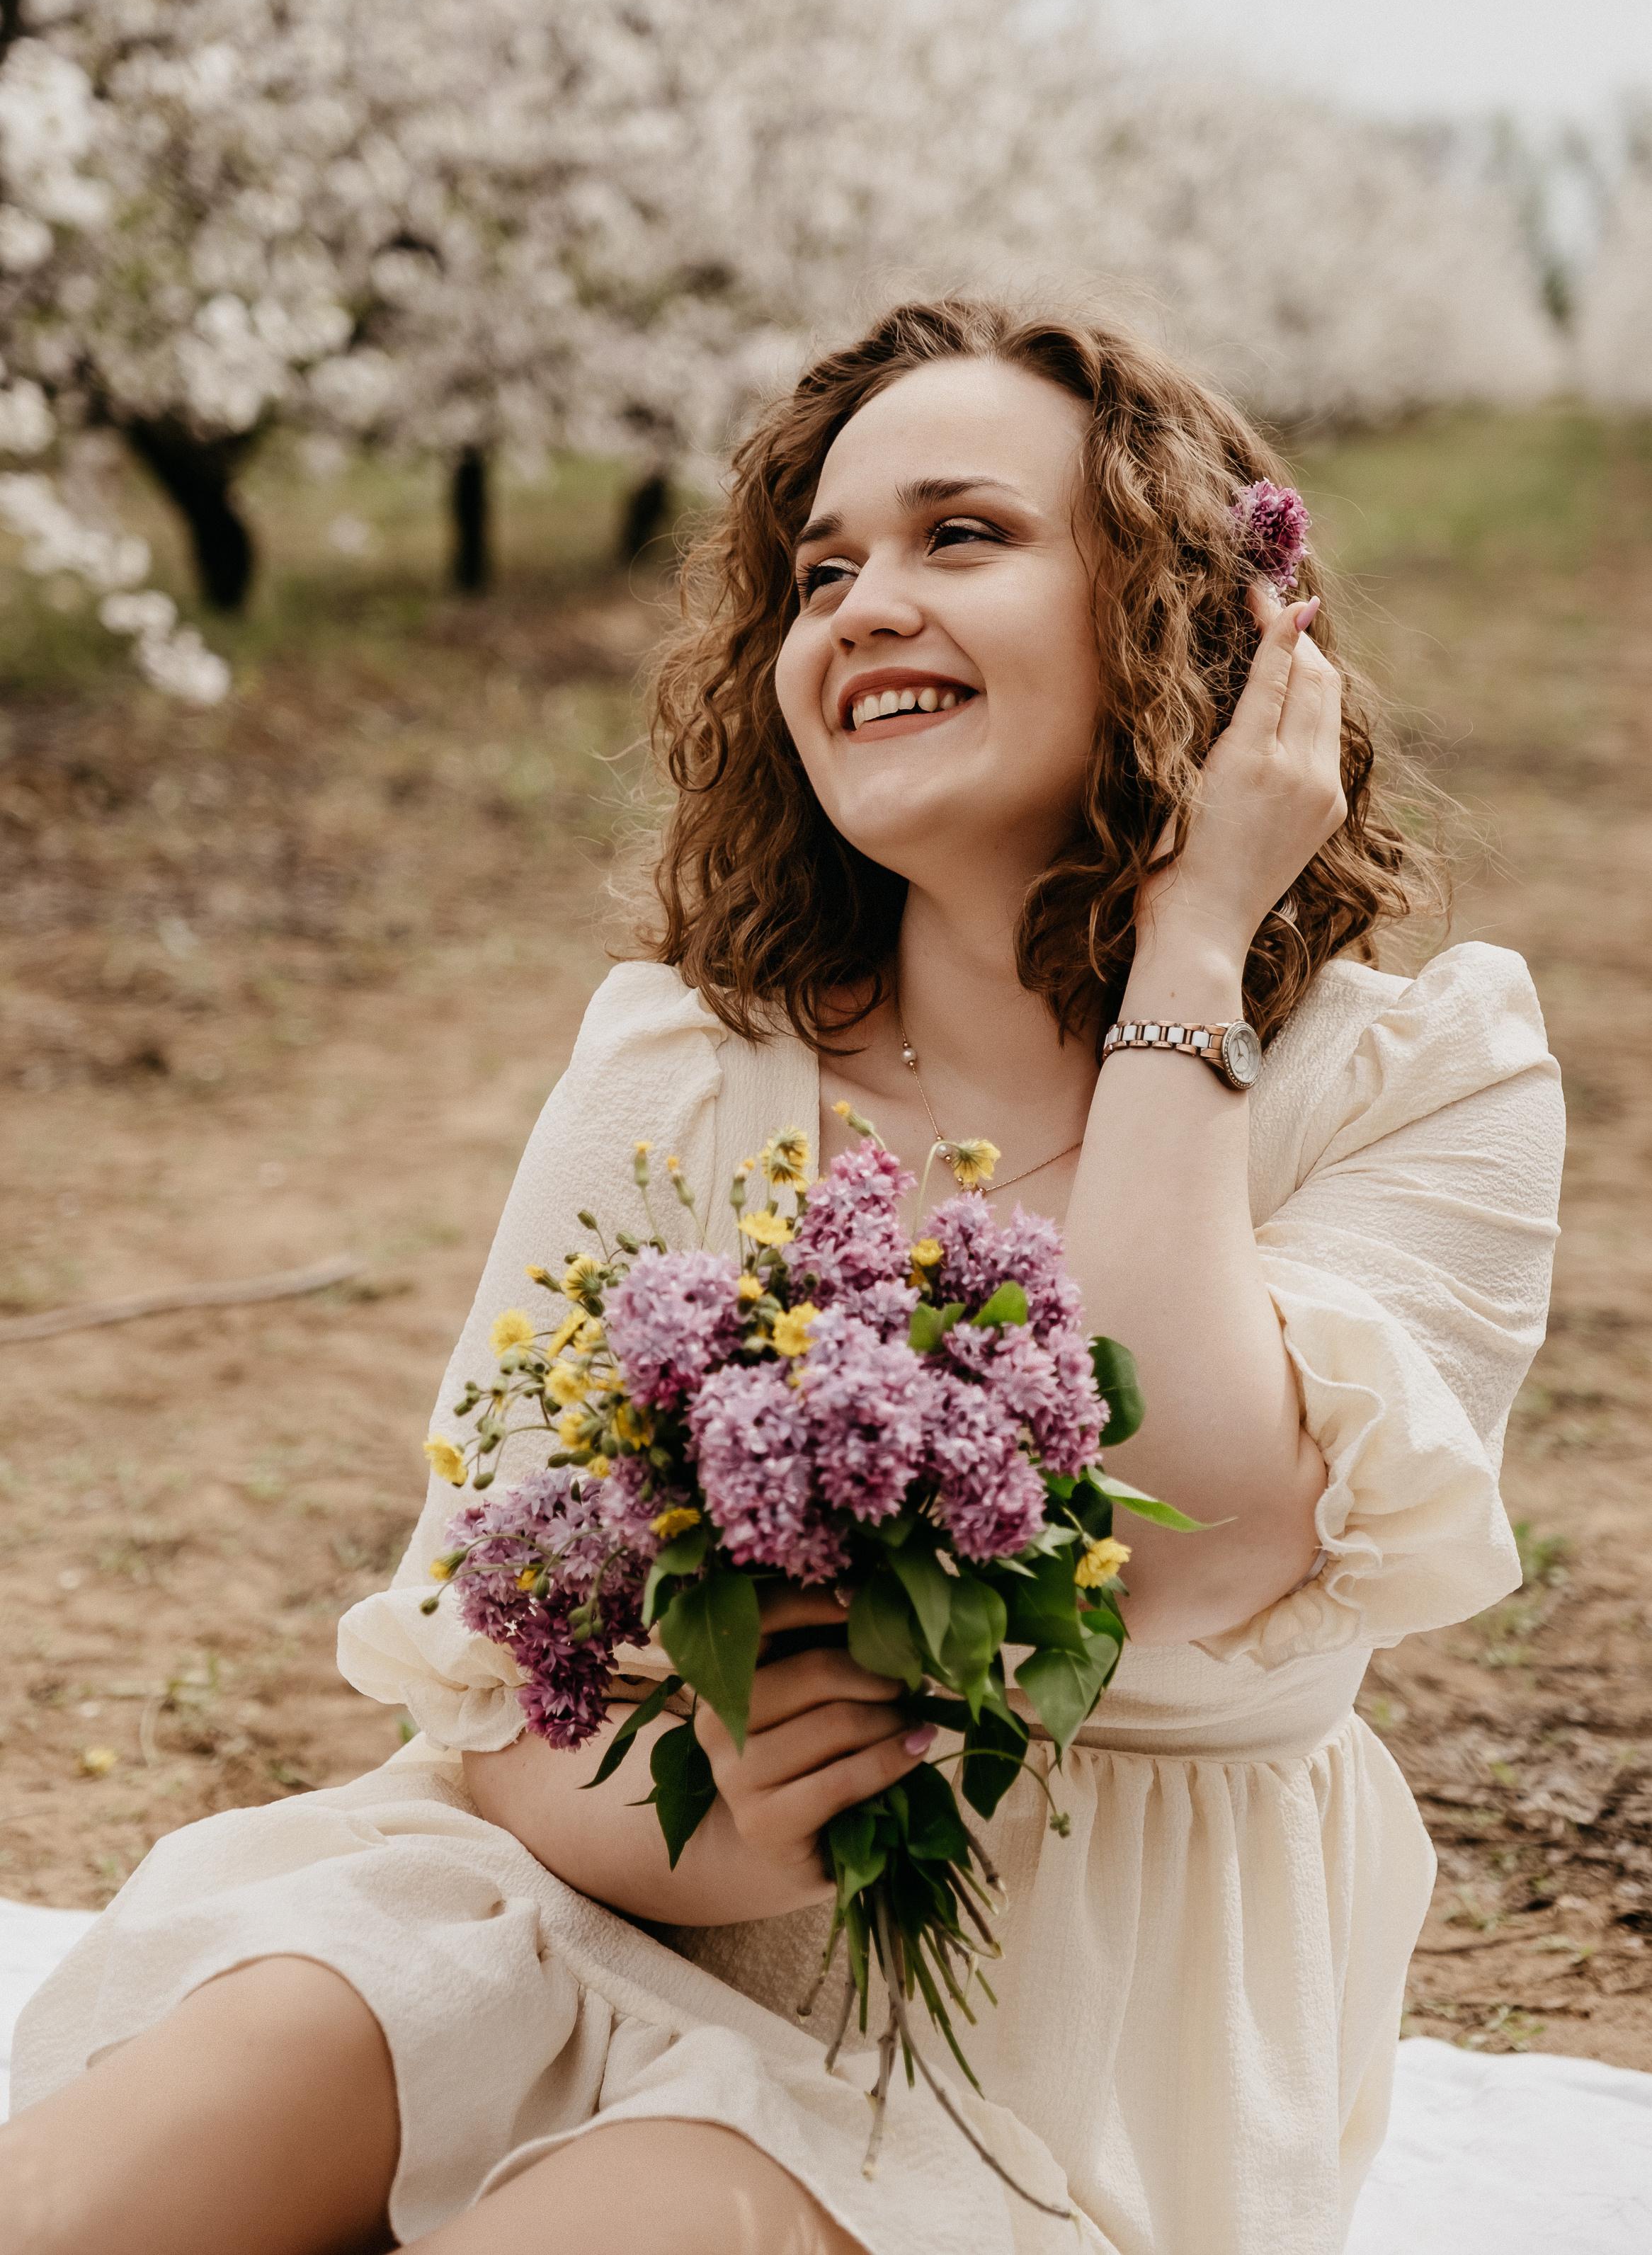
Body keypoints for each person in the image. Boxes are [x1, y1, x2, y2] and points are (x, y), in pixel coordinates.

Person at [3, 300, 1563, 2255]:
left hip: (1034, 2061)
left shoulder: (1424, 1082)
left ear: (1185, 614)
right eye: (823, 569)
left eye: (960, 535)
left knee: (643, 2214)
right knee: (233, 2078)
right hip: (611, 1900)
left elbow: (1194, 1537)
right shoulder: (680, 1065)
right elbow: (495, 1684)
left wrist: (1191, 953)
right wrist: (690, 1815)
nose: (862, 606)